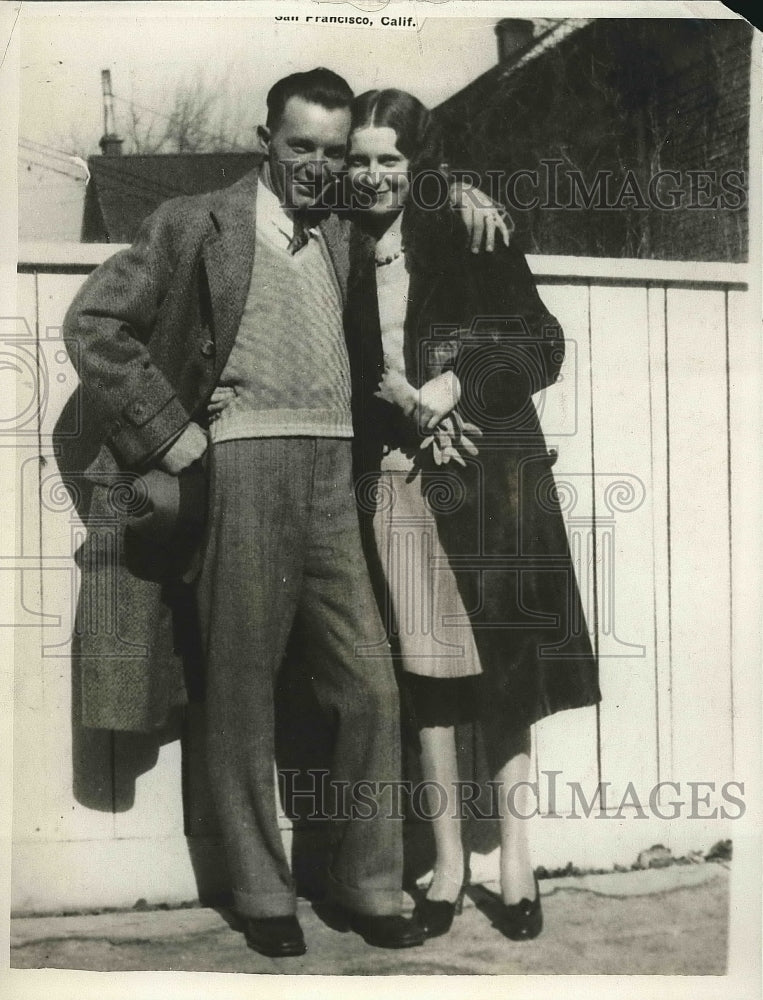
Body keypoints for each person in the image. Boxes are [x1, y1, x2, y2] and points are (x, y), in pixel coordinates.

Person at [62, 68, 508, 958]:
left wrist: (457, 191)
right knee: (239, 691)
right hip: (240, 474)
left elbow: (405, 199)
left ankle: (369, 882)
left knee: (370, 688)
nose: (317, 165)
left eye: (331, 152)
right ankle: (260, 889)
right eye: (299, 145)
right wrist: (169, 433)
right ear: (265, 138)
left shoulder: (345, 230)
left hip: (335, 475)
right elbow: (93, 323)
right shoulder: (197, 223)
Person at [341, 89, 601, 941]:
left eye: (391, 159)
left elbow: (539, 341)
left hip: (487, 482)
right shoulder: (333, 248)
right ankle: (448, 866)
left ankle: (515, 861)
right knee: (429, 677)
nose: (373, 175)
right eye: (360, 158)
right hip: (396, 481)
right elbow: (341, 377)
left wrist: (454, 390)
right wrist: (408, 416)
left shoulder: (465, 231)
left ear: (419, 164)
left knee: (506, 671)